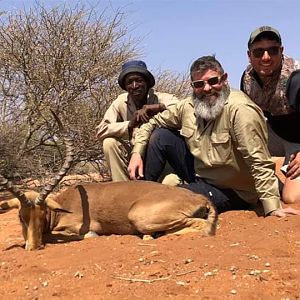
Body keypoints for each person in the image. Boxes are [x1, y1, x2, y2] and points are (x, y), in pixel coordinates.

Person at [128, 55, 299, 218]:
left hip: (233, 189)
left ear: (224, 79)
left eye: (213, 81)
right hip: (201, 173)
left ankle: (150, 207)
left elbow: (259, 160)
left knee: (174, 199)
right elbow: (152, 123)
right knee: (160, 136)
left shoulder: (240, 110)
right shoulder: (187, 106)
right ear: (192, 86)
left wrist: (272, 207)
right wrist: (136, 153)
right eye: (199, 84)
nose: (207, 88)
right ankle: (138, 195)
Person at [240, 26, 300, 204]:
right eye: (258, 52)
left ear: (281, 51)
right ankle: (272, 185)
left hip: (298, 141)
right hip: (273, 132)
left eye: (272, 50)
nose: (265, 57)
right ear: (249, 55)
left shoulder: (296, 77)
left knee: (292, 197)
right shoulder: (247, 78)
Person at [96, 60, 179, 182]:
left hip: (161, 159)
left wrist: (157, 107)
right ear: (125, 86)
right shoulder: (120, 102)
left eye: (139, 80)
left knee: (171, 182)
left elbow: (182, 108)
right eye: (130, 82)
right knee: (109, 143)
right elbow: (101, 131)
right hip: (133, 159)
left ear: (147, 83)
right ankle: (124, 191)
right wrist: (129, 124)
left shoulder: (162, 98)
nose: (134, 86)